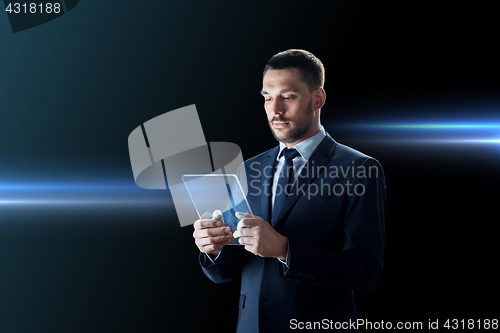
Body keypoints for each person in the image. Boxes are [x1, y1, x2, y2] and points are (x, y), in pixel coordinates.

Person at [193, 49, 386, 333]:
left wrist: (285, 249)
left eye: (288, 96)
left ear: (318, 98)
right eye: (268, 98)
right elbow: (225, 272)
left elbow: (366, 272)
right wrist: (212, 248)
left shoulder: (359, 169)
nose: (275, 110)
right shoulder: (247, 169)